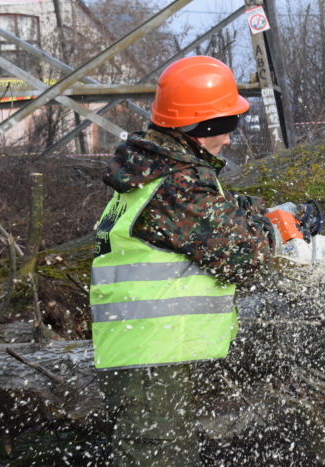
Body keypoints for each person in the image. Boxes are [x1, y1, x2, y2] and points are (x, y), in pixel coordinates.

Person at [90, 56, 277, 466]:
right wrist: (278, 231)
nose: (229, 139)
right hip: (150, 361)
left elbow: (207, 217)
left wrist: (262, 213)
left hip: (144, 352)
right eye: (227, 126)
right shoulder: (176, 183)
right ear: (198, 126)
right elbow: (243, 257)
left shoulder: (155, 173)